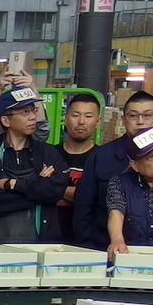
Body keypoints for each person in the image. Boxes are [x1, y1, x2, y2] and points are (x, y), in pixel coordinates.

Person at [0, 86, 75, 243]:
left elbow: (55, 190)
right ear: (6, 120)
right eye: (25, 112)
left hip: (40, 244)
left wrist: (13, 185)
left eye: (33, 110)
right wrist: (39, 192)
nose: (33, 117)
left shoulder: (48, 153)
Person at [70, 90, 153, 249]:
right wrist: (85, 248)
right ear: (123, 119)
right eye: (133, 116)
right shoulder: (100, 156)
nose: (140, 122)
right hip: (104, 246)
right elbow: (83, 208)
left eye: (147, 115)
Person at [49, 90, 102, 241]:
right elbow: (38, 193)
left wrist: (54, 191)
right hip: (51, 237)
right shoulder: (49, 154)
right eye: (75, 115)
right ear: (65, 119)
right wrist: (82, 197)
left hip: (88, 239)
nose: (81, 122)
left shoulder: (104, 158)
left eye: (88, 116)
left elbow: (100, 200)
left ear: (97, 122)